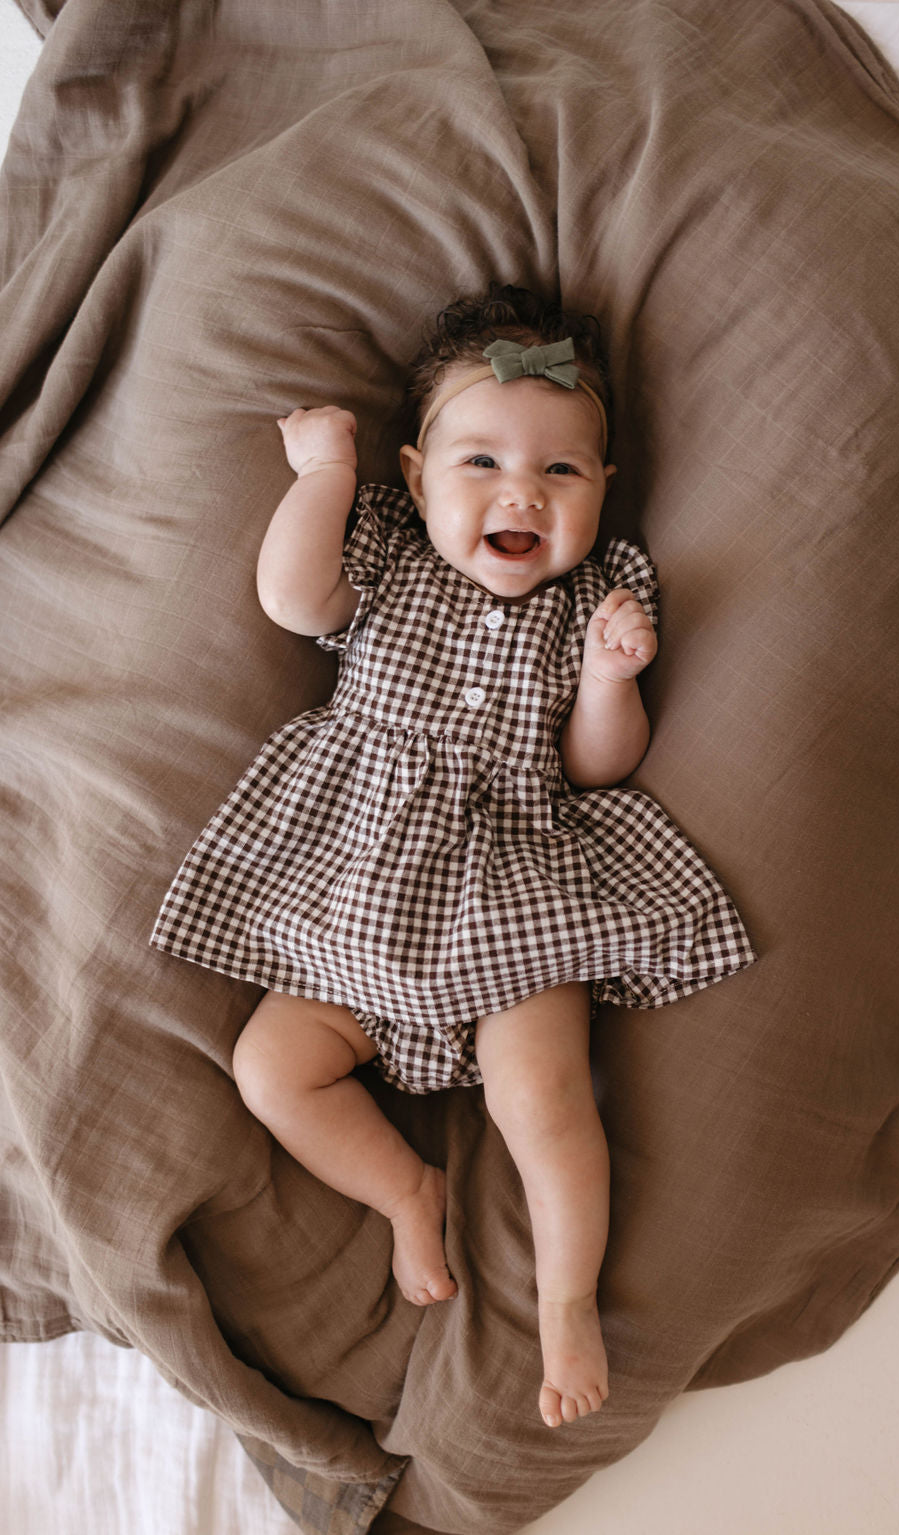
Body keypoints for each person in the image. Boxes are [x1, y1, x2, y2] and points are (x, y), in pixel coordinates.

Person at [151, 284, 755, 1429]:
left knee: (548, 1096)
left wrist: (611, 678)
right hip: (357, 903)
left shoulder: (597, 596)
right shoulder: (384, 545)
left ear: (603, 489)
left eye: (560, 472)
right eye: (479, 463)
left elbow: (596, 768)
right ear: (418, 474)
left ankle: (567, 1297)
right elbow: (290, 597)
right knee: (272, 1067)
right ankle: (404, 1191)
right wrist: (325, 473)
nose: (520, 491)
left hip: (513, 884)